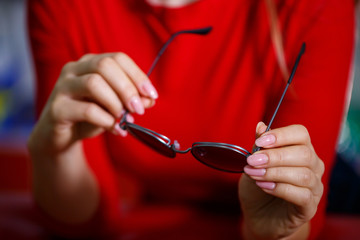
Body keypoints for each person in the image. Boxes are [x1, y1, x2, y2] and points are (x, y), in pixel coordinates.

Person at [27, 0, 355, 239]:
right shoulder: (63, 7)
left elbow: (294, 219)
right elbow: (86, 222)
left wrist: (277, 234)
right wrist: (54, 151)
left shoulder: (316, 7)